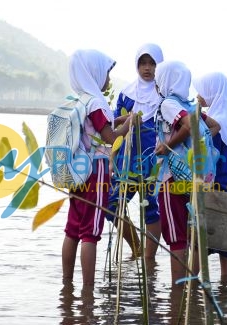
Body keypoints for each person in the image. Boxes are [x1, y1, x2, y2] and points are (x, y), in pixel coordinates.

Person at [62, 49, 132, 287]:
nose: (109, 80)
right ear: (93, 73)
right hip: (95, 170)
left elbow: (96, 127)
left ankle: (67, 285)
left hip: (76, 170)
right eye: (106, 74)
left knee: (73, 229)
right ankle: (88, 292)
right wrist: (128, 126)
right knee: (90, 233)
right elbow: (110, 137)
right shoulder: (96, 102)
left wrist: (118, 119)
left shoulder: (78, 100)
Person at [153, 60, 221, 284]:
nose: (155, 83)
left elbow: (189, 125)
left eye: (157, 79)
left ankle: (178, 289)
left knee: (176, 237)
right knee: (193, 234)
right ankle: (191, 286)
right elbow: (214, 127)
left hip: (172, 177)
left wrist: (168, 145)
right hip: (196, 176)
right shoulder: (191, 104)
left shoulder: (168, 104)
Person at [107, 43, 164, 259]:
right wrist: (112, 158)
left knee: (151, 209)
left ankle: (149, 261)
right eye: (143, 63)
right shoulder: (126, 93)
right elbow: (113, 127)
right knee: (112, 206)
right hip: (126, 160)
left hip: (153, 161)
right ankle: (137, 249)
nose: (147, 68)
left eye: (152, 63)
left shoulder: (164, 96)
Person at [194, 72, 227, 283]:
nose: (198, 95)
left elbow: (206, 160)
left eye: (203, 90)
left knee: (199, 246)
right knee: (226, 249)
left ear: (213, 92)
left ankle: (190, 293)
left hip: (211, 190)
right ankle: (225, 292)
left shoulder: (214, 122)